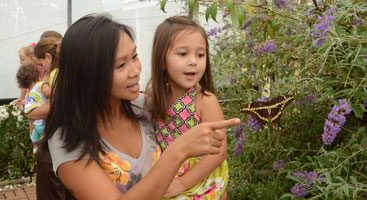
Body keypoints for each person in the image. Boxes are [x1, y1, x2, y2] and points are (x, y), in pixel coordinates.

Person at [44, 14, 240, 200]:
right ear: (89, 75)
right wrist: (178, 151)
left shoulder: (146, 107)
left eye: (135, 56)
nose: (136, 70)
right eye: (121, 65)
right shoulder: (67, 140)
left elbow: (215, 159)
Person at [146, 16, 229, 199]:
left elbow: (219, 152)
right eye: (183, 54)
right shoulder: (153, 98)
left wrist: (182, 183)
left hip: (202, 179)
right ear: (161, 61)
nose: (193, 61)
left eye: (200, 55)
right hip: (168, 176)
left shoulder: (205, 100)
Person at [31, 36, 70, 200]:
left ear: (48, 57)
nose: (42, 69)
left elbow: (53, 104)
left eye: (41, 64)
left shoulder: (55, 75)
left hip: (56, 141)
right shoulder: (66, 72)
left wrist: (32, 112)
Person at [16, 63, 50, 143]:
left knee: (36, 142)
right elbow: (49, 93)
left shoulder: (28, 95)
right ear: (38, 76)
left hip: (36, 127)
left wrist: (21, 102)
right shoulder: (40, 85)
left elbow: (25, 102)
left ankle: (36, 147)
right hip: (46, 124)